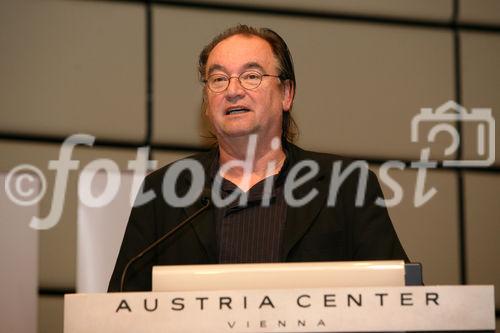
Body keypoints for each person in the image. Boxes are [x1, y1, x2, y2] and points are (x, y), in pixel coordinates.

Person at [108, 25, 408, 292]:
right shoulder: (163, 191)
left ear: (286, 94)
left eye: (251, 76)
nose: (233, 90)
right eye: (218, 78)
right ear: (206, 101)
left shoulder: (347, 184)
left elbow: (403, 297)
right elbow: (122, 307)